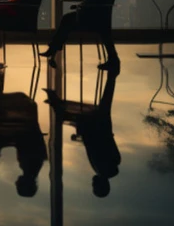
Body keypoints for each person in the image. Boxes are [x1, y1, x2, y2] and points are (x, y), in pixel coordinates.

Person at [45, 69, 120, 198]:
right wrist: (82, 136)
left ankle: (112, 74)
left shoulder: (109, 166)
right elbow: (95, 144)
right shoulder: (101, 167)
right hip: (95, 126)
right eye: (94, 186)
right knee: (65, 117)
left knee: (106, 102)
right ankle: (55, 101)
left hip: (102, 127)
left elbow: (103, 143)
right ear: (100, 185)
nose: (92, 184)